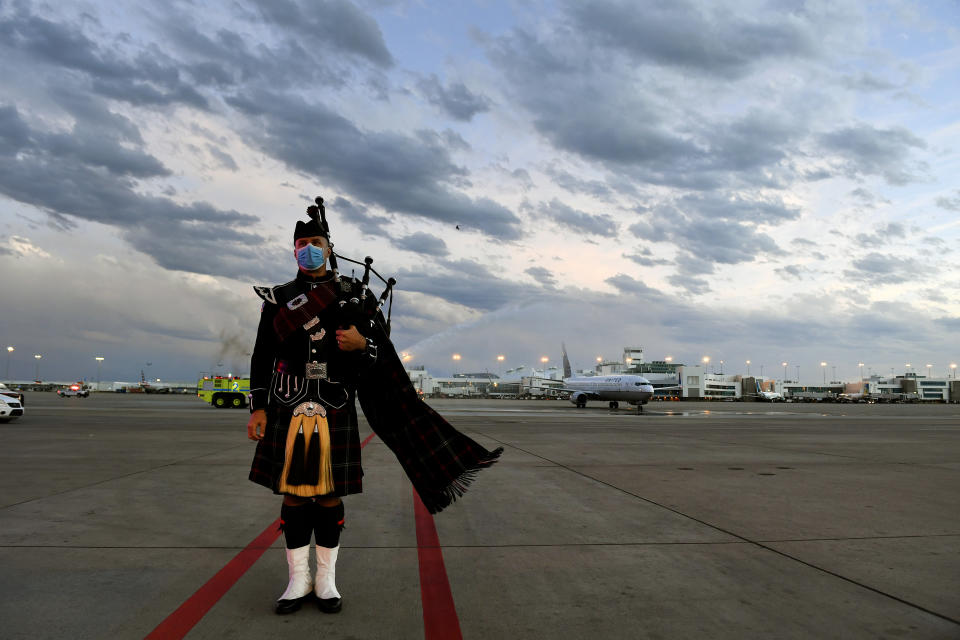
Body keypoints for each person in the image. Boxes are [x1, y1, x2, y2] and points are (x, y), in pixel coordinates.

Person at [246, 201, 502, 616]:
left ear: (329, 247)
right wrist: (258, 408)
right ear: (293, 251)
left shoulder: (355, 294)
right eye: (301, 244)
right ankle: (298, 580)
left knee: (329, 497)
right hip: (287, 409)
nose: (308, 249)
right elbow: (261, 356)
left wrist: (363, 345)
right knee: (293, 497)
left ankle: (326, 581)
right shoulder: (278, 298)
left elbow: (382, 353)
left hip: (335, 408)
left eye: (315, 242)